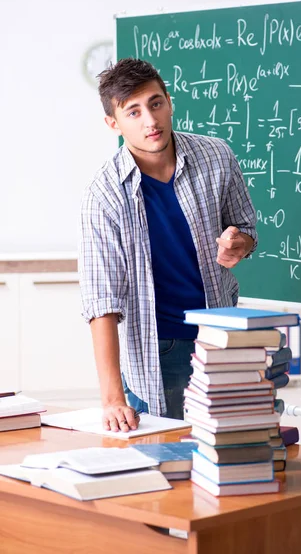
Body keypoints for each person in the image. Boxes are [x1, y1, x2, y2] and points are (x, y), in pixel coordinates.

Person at [78, 58, 257, 433]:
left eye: (156, 103)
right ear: (114, 123)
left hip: (222, 336)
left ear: (169, 102)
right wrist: (113, 399)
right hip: (159, 348)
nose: (150, 121)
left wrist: (240, 242)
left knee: (235, 450)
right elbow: (102, 301)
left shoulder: (217, 156)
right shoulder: (104, 194)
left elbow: (246, 230)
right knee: (168, 462)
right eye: (134, 111)